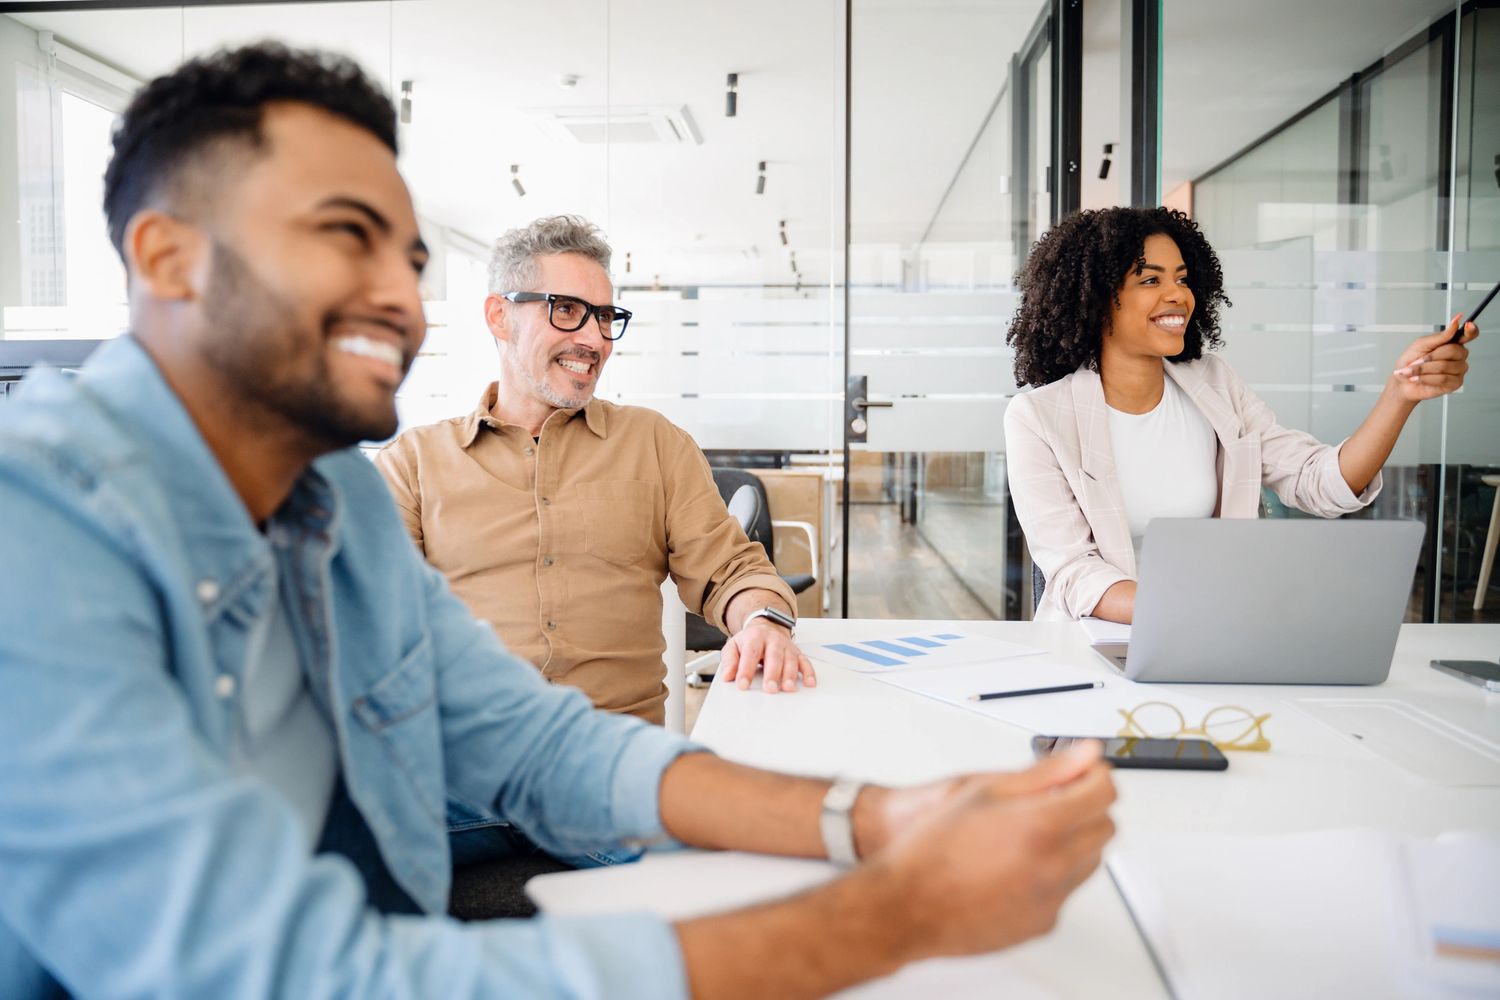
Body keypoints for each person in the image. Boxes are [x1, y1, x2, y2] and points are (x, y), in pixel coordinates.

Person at [0, 44, 1117, 999]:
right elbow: (299, 977)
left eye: (410, 258)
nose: (398, 295)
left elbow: (536, 741)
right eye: (347, 235)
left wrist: (884, 817)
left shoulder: (327, 498)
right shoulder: (34, 529)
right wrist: (898, 913)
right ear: (167, 257)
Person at [375, 216, 811, 726]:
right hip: (468, 764)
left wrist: (762, 622)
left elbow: (731, 570)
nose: (595, 339)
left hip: (616, 759)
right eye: (567, 311)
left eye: (604, 317)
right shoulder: (413, 464)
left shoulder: (655, 444)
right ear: (499, 316)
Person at [1003, 206, 1478, 623]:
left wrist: (1401, 394)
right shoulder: (1038, 417)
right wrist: (1193, 607)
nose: (1177, 295)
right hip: (1101, 642)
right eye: (1150, 280)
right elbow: (1073, 570)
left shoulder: (1214, 384)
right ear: (1095, 298)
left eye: (1182, 278)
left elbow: (1319, 482)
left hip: (1220, 632)